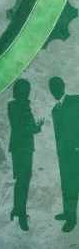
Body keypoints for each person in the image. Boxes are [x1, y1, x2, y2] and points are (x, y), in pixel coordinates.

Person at [7, 78, 43, 231]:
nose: (28, 92)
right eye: (25, 89)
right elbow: (24, 127)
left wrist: (37, 127)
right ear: (20, 91)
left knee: (22, 179)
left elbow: (30, 128)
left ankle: (18, 208)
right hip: (23, 148)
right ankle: (21, 213)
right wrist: (36, 127)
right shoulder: (19, 106)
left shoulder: (15, 105)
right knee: (23, 179)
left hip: (21, 148)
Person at [48, 77, 79, 232]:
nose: (54, 91)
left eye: (56, 87)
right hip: (64, 155)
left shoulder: (75, 101)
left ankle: (72, 221)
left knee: (73, 186)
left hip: (76, 152)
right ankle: (68, 213)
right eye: (51, 88)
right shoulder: (55, 109)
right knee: (67, 186)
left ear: (63, 86)